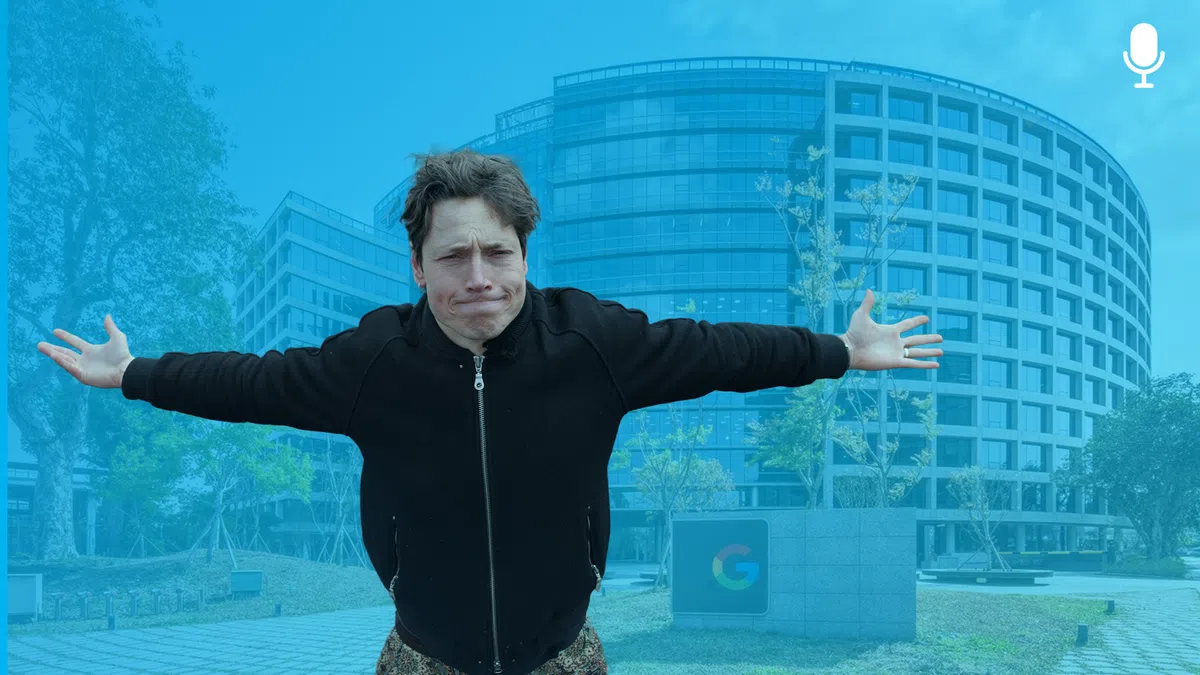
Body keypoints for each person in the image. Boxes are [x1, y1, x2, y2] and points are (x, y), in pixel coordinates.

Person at [37, 149, 943, 675]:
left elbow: (718, 350)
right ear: (417, 266)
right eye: (453, 256)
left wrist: (839, 350)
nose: (479, 278)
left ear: (523, 254)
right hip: (422, 656)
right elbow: (253, 381)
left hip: (563, 656)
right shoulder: (373, 362)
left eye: (497, 253)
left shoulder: (592, 342)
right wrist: (137, 372)